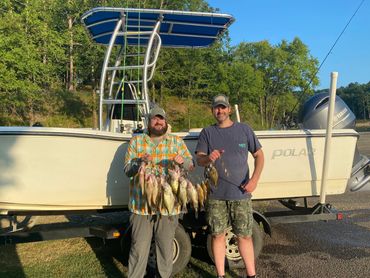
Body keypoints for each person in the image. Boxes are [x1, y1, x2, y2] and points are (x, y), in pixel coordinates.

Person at [195, 94, 264, 278]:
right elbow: (199, 159)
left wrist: (254, 180)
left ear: (229, 109)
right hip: (216, 195)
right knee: (217, 235)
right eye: (217, 107)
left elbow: (259, 156)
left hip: (241, 194)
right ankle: (220, 275)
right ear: (212, 110)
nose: (220, 110)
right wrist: (208, 158)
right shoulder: (207, 133)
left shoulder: (244, 130)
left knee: (245, 236)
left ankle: (251, 274)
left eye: (223, 107)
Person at [124, 105, 193, 278]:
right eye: (155, 118)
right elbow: (127, 170)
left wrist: (182, 162)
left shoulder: (176, 142)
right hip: (141, 206)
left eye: (161, 118)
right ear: (149, 121)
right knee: (138, 248)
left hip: (168, 207)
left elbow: (190, 164)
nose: (158, 121)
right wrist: (138, 161)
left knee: (165, 247)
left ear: (166, 122)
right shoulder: (136, 141)